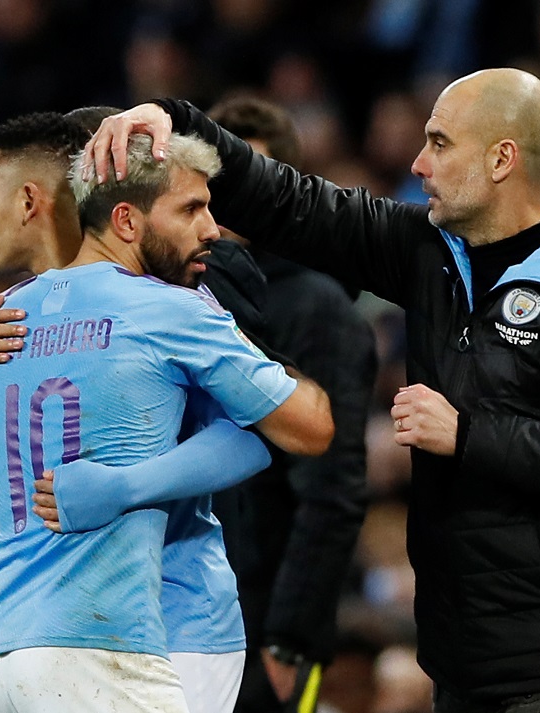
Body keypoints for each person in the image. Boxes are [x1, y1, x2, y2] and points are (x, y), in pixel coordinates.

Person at [84, 67, 540, 712]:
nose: (419, 163)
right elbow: (293, 204)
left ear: (503, 158)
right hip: (461, 661)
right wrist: (179, 123)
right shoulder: (429, 252)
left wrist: (468, 434)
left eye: (441, 144)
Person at [0, 113, 334, 713]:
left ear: (32, 202)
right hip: (104, 642)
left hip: (148, 625)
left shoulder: (177, 285)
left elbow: (261, 430)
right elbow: (289, 427)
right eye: (191, 210)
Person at [203, 96, 376, 713]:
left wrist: (291, 635)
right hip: (196, 613)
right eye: (213, 181)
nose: (228, 200)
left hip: (265, 623)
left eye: (249, 180)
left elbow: (333, 487)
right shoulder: (180, 297)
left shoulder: (318, 309)